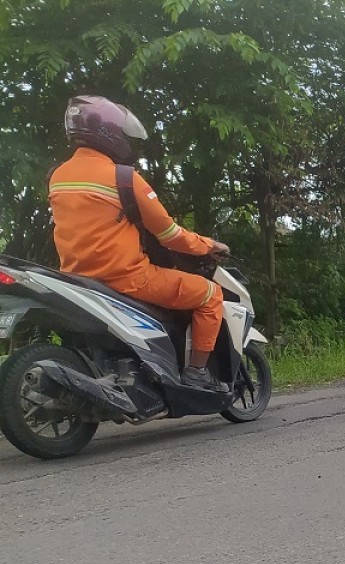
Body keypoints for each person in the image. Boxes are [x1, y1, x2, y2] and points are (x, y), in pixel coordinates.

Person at [49, 96, 230, 389]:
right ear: (108, 133)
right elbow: (170, 235)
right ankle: (197, 372)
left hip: (77, 280)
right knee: (210, 294)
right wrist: (208, 245)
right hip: (127, 279)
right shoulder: (124, 179)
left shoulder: (57, 177)